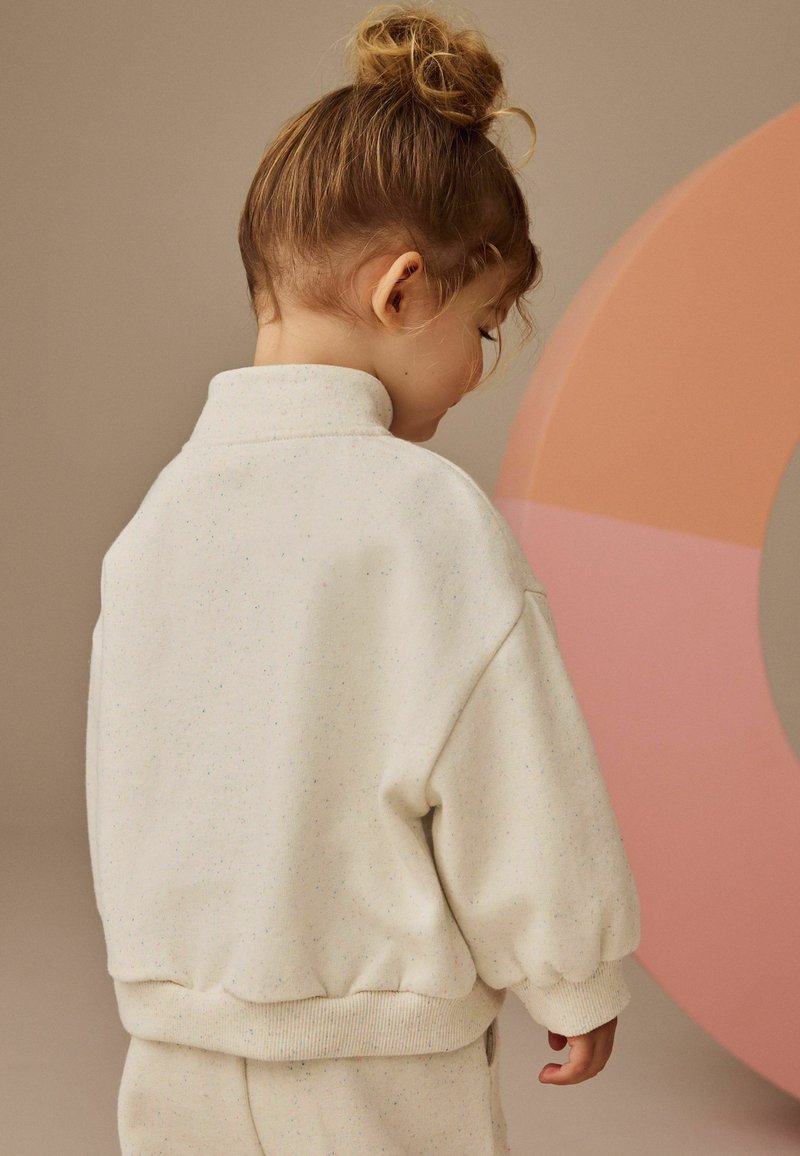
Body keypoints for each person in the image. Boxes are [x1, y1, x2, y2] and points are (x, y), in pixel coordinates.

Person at [85, 4, 641, 1153]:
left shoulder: (155, 527)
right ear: (400, 293)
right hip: (376, 1065)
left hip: (175, 1052)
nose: (477, 368)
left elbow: (134, 784)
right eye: (483, 327)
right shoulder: (426, 518)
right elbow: (511, 773)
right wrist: (572, 971)